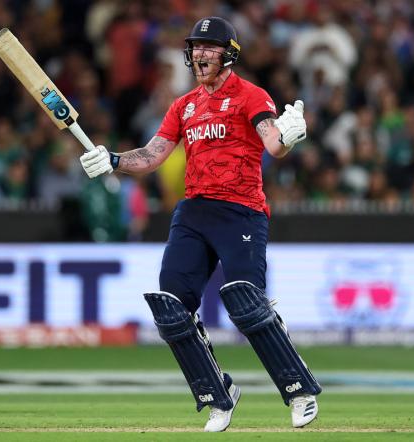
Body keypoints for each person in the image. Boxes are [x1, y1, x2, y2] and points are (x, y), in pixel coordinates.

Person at [80, 16, 322, 432]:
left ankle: (299, 390)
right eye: (196, 47)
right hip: (193, 212)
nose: (200, 54)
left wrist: (291, 133)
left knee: (248, 304)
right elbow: (154, 154)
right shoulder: (184, 105)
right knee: (171, 309)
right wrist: (115, 161)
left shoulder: (250, 95)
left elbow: (273, 143)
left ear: (229, 53)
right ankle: (218, 395)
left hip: (241, 210)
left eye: (210, 47)